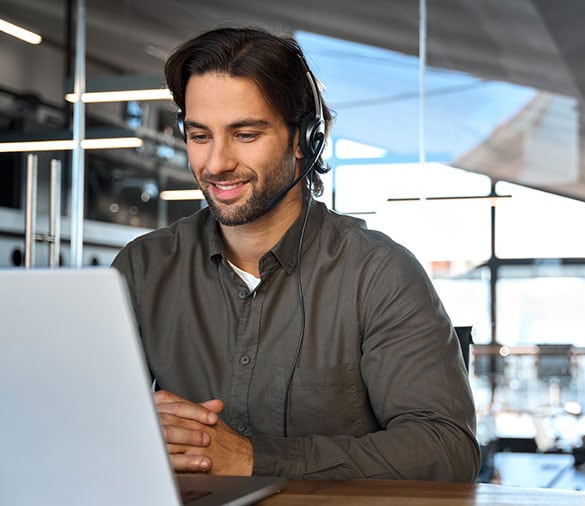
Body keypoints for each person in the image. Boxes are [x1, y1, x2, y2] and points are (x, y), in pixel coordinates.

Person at [111, 26, 480, 482]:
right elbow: (80, 422)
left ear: (304, 139)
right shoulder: (142, 269)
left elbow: (446, 450)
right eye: (199, 135)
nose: (215, 163)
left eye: (245, 134)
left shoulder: (379, 274)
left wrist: (252, 459)